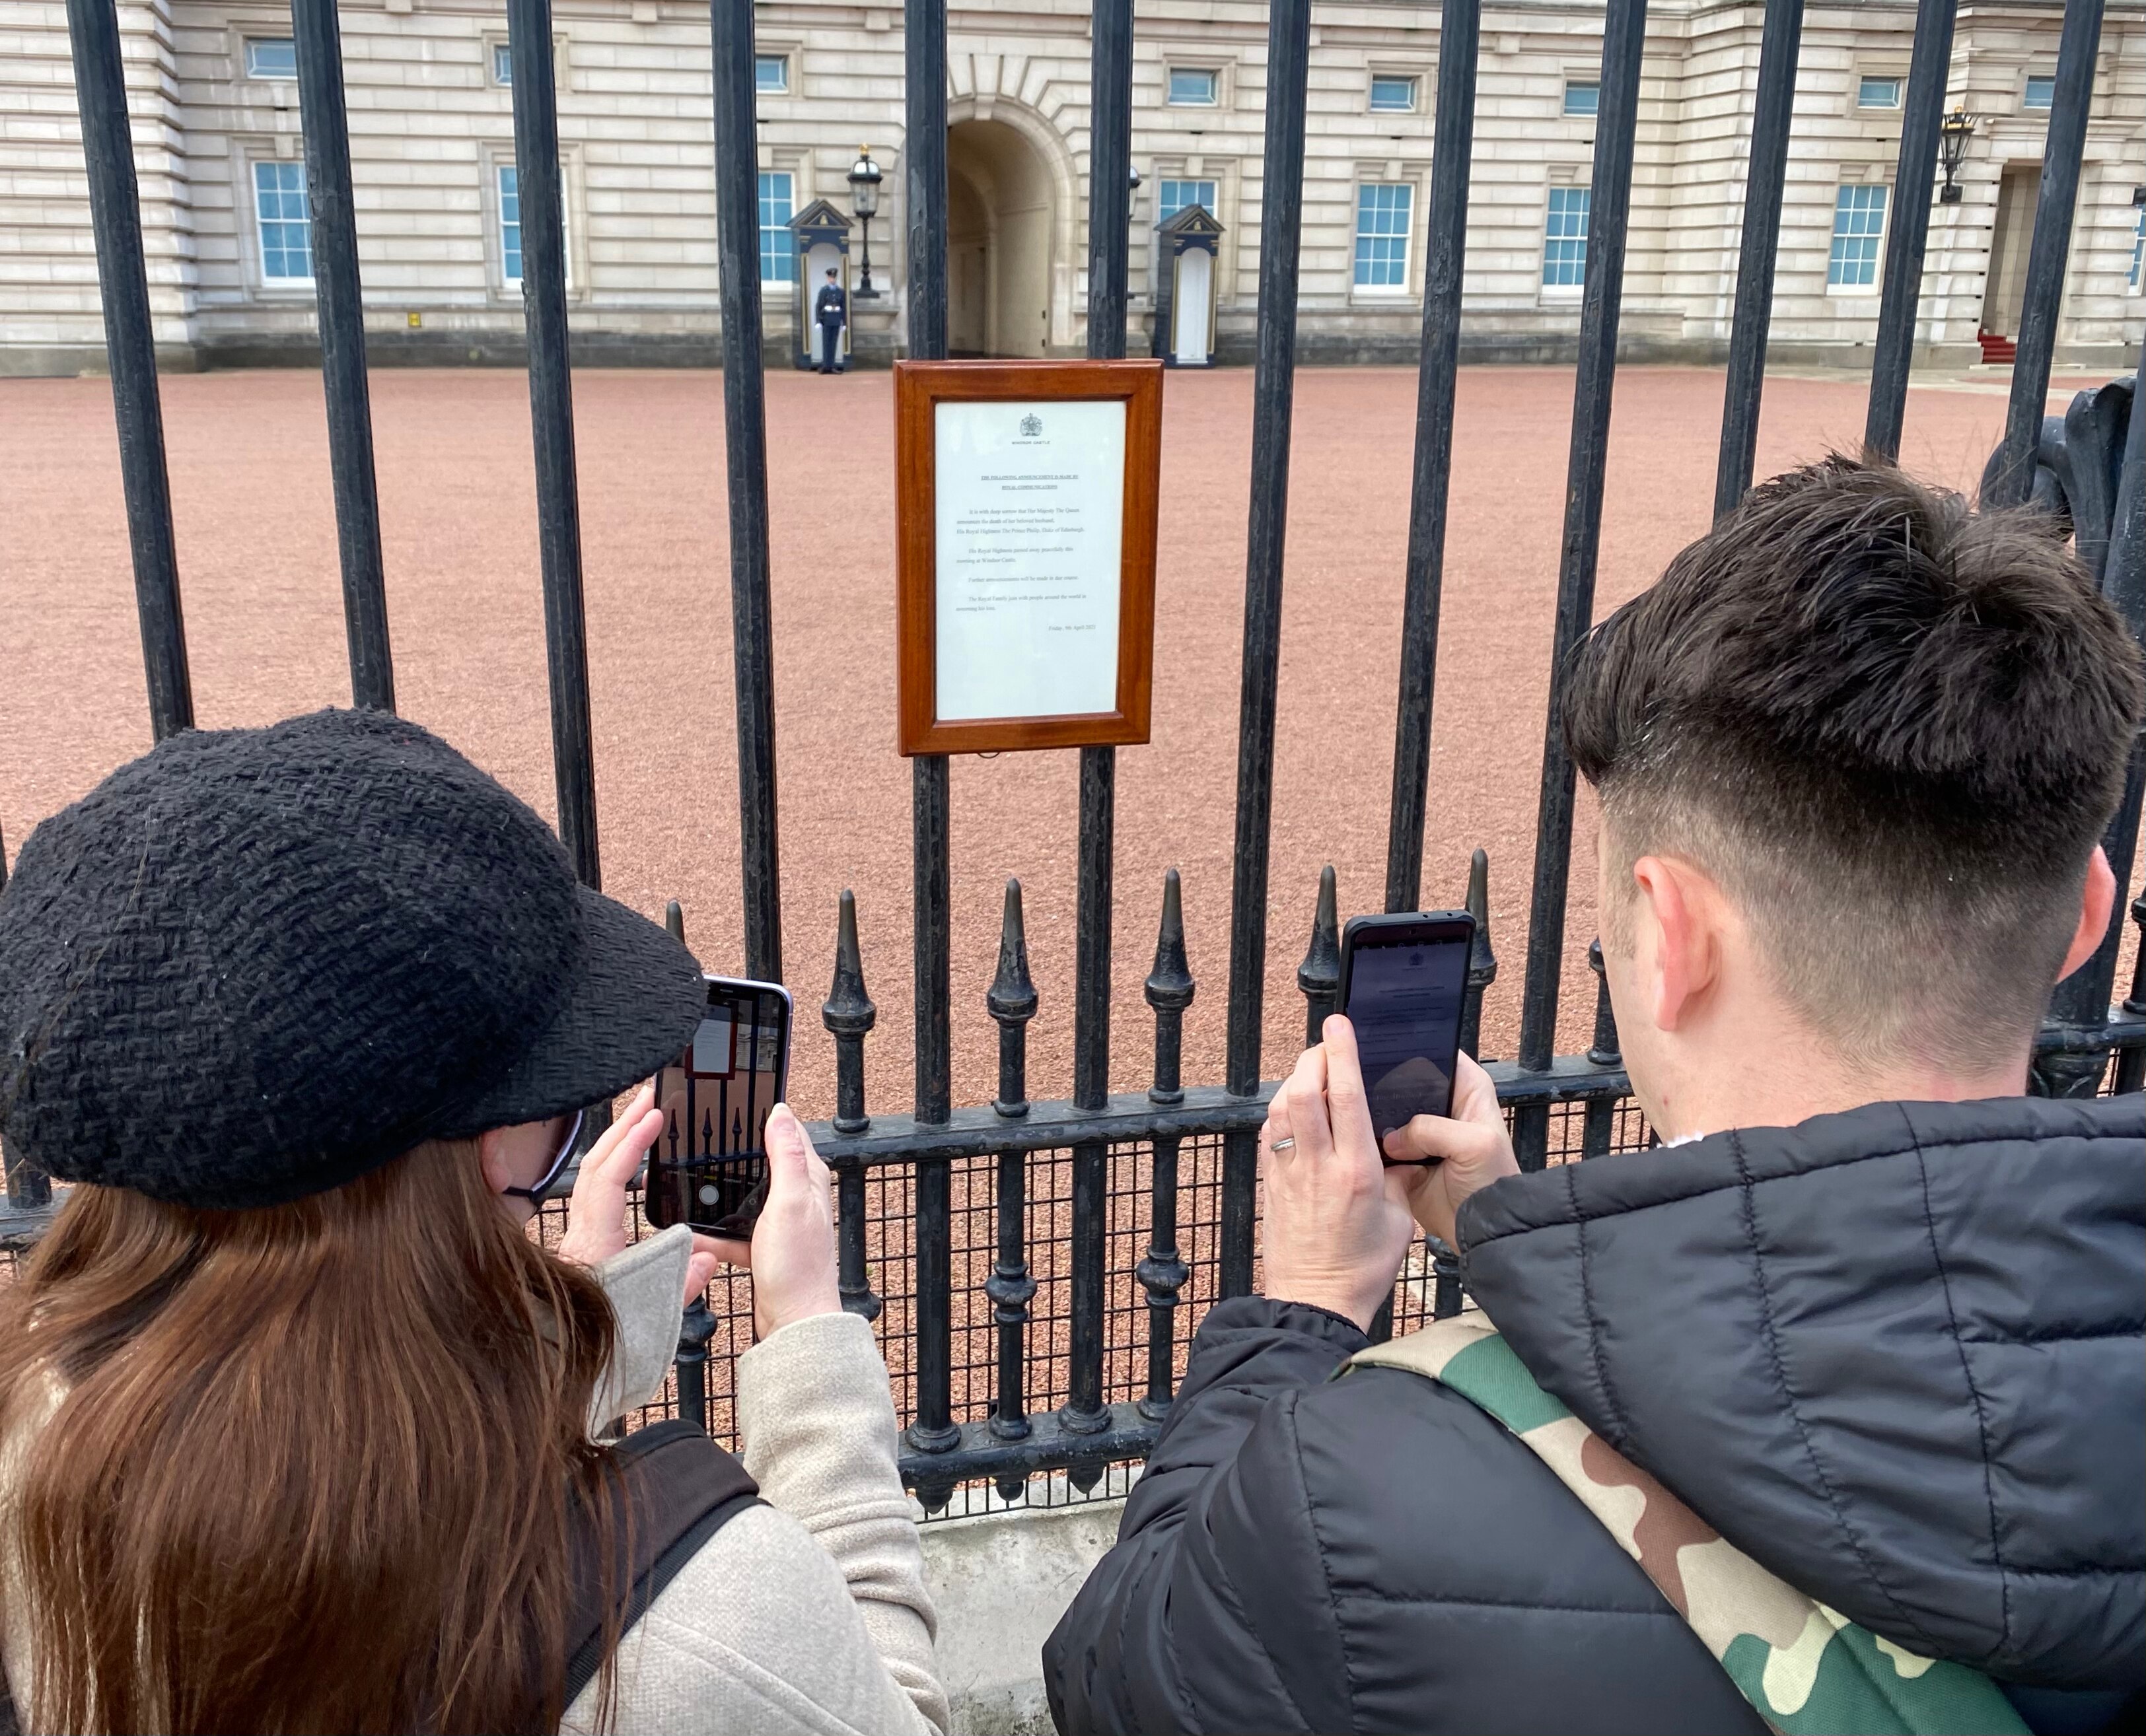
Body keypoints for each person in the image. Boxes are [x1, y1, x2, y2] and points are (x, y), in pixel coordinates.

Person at [1044, 456, 2145, 1735]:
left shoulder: (1356, 1505)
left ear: (1669, 936)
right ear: (2083, 920)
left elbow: (1114, 1678)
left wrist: (1302, 1310)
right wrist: (1512, 1241)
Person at [0, 709, 947, 1736]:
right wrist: (809, 1343)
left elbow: (350, 1425)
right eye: (556, 1110)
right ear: (473, 1162)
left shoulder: (36, 1434)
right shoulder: (699, 1630)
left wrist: (579, 1306)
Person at [816, 266, 847, 373]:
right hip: (827, 318)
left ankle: (831, 365)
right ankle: (826, 365)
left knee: (833, 343)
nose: (832, 280)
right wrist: (818, 321)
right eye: (830, 278)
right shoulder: (824, 291)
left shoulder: (840, 291)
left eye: (833, 278)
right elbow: (819, 306)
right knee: (826, 343)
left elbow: (843, 308)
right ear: (828, 278)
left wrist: (844, 322)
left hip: (836, 318)